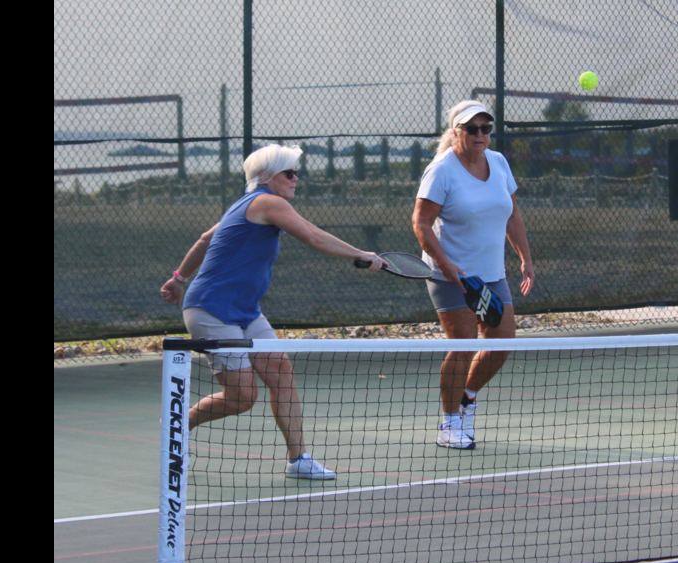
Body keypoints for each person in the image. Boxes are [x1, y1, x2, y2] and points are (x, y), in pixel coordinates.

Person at [160, 144, 386, 480]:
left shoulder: (245, 205)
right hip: (211, 311)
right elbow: (312, 236)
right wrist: (361, 253)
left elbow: (206, 239)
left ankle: (299, 460)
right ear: (266, 178)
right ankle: (177, 424)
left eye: (297, 172)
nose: (297, 178)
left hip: (246, 311)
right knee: (242, 398)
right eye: (289, 173)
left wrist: (179, 279)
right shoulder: (267, 202)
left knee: (280, 370)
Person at [412, 101, 535, 450]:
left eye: (485, 128)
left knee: (502, 342)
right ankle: (449, 424)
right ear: (456, 132)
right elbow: (420, 222)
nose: (480, 135)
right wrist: (446, 265)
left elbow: (512, 215)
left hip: (491, 273)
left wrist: (525, 258)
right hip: (451, 276)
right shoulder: (441, 170)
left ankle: (467, 398)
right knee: (464, 344)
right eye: (472, 128)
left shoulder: (498, 162)